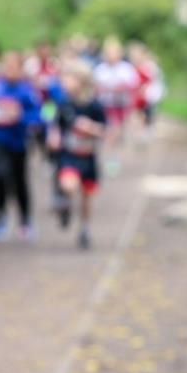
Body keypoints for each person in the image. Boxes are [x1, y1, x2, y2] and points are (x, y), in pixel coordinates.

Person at [0, 50, 42, 241]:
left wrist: (19, 117)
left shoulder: (27, 91)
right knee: (0, 176)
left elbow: (38, 117)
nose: (9, 70)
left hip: (19, 143)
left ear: (21, 69)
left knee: (20, 181)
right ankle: (0, 218)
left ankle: (25, 221)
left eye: (14, 67)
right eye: (6, 66)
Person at [48, 60, 107, 250]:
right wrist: (53, 136)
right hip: (69, 155)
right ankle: (65, 205)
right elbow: (53, 123)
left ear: (81, 81)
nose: (64, 83)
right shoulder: (61, 103)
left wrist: (90, 128)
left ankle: (84, 228)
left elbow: (104, 129)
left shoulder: (94, 105)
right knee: (68, 184)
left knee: (86, 196)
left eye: (68, 78)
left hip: (87, 156)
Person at [93, 37, 137, 176]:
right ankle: (110, 160)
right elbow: (94, 89)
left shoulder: (126, 69)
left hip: (120, 107)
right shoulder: (100, 69)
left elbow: (132, 87)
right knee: (109, 135)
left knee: (114, 135)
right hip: (104, 107)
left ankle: (112, 160)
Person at [128, 41, 165, 144]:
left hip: (148, 96)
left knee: (147, 114)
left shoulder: (150, 67)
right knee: (137, 115)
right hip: (137, 96)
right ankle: (138, 134)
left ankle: (145, 132)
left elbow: (154, 81)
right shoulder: (132, 67)